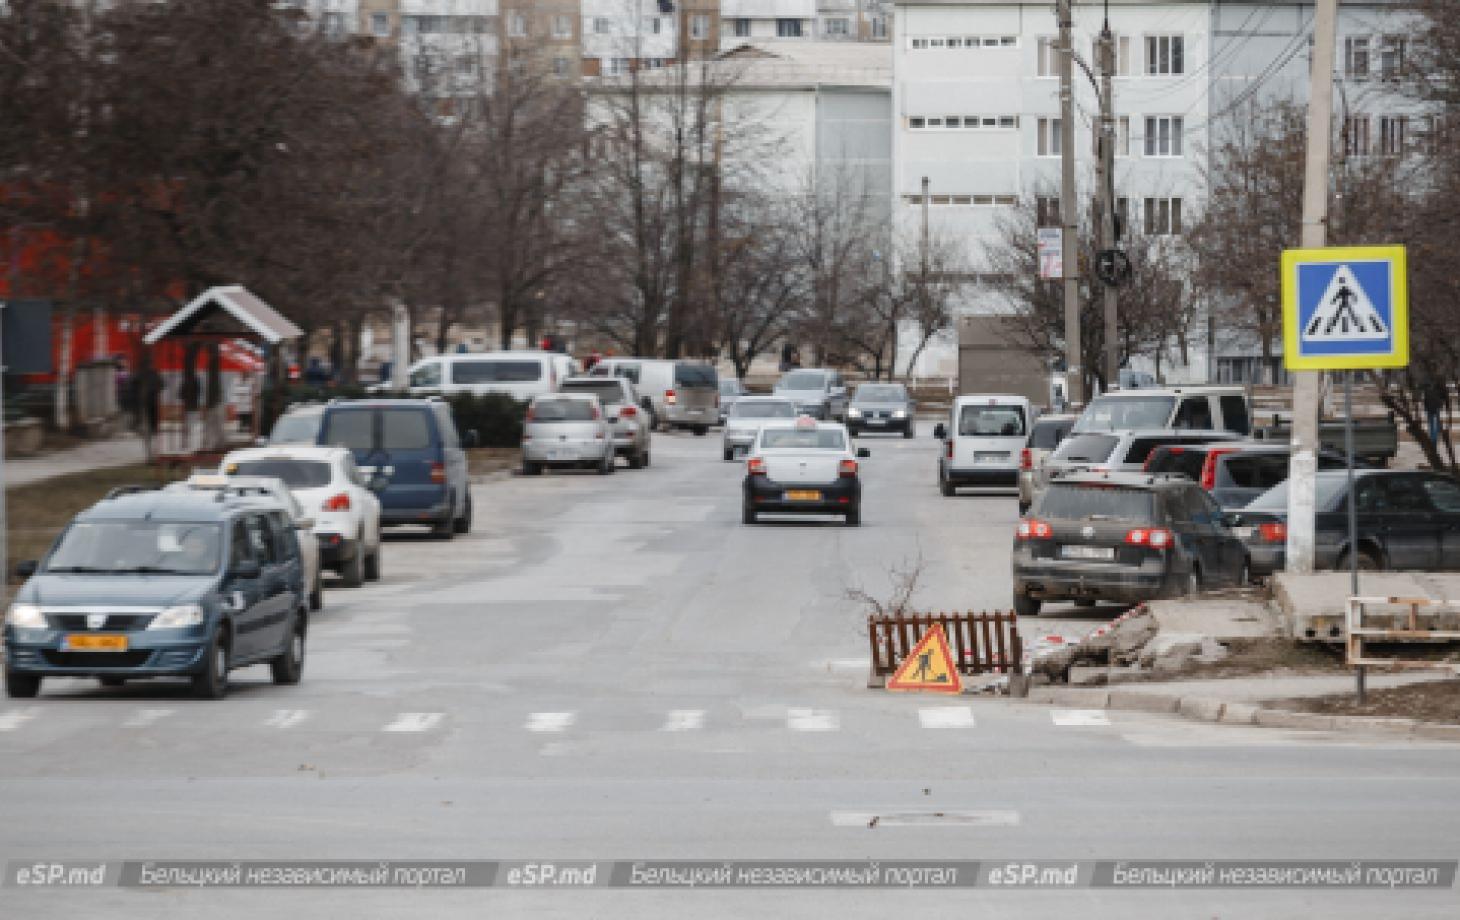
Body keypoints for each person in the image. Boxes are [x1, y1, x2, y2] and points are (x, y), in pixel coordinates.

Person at [1424, 379, 1449, 445]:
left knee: (1433, 424)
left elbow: (1425, 400)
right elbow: (1445, 397)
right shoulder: (1439, 387)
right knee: (1434, 424)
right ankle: (1434, 439)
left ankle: (1434, 439)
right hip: (1434, 407)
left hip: (1431, 407)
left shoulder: (1429, 387)